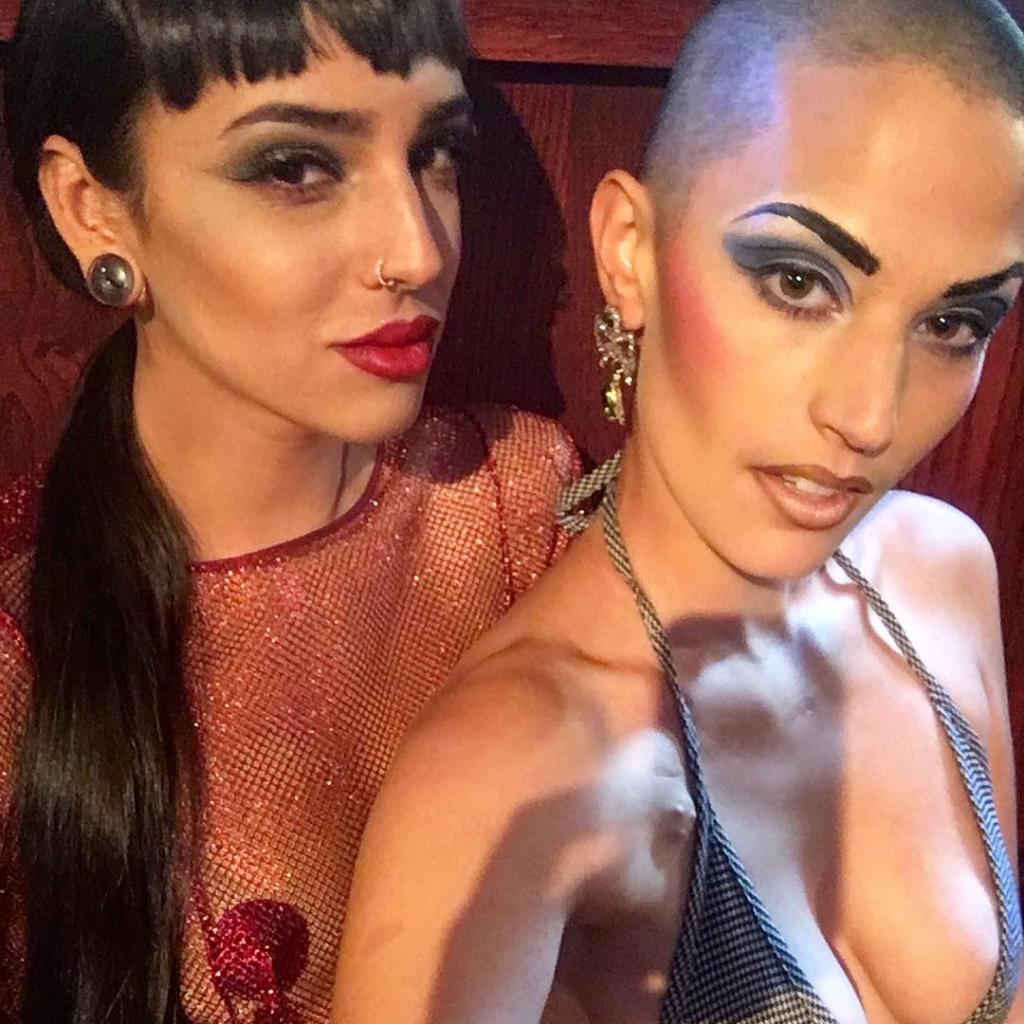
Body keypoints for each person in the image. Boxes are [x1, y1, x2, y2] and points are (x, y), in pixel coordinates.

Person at [334, 0, 1024, 1021]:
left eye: (954, 322)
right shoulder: (510, 775)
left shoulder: (943, 573)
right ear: (631, 252)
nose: (870, 416)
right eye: (799, 281)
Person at [0, 1, 577, 1022]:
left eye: (436, 153)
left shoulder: (516, 501)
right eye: (295, 167)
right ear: (92, 209)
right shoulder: (21, 650)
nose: (417, 250)